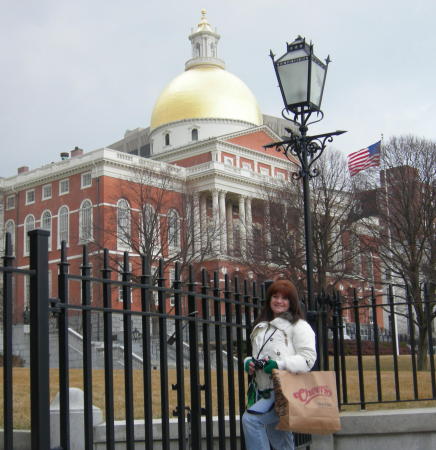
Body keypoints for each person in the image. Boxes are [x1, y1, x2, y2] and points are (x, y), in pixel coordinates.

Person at [242, 279, 317, 450]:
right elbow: (257, 355)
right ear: (269, 300)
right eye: (275, 296)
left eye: (284, 298)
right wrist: (249, 363)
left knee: (251, 420)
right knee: (279, 436)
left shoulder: (299, 326)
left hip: (285, 388)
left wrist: (280, 364)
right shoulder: (262, 327)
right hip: (263, 388)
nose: (279, 301)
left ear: (291, 302)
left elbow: (308, 358)